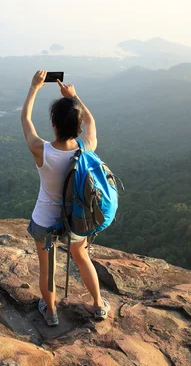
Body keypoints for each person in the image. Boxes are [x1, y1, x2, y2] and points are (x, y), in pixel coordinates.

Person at [21, 70, 110, 326]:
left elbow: (25, 119)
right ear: (77, 127)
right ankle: (98, 305)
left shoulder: (42, 151)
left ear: (54, 124)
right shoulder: (86, 148)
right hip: (76, 220)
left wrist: (34, 87)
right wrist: (75, 96)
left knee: (47, 268)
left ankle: (50, 312)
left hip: (44, 221)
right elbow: (92, 125)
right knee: (82, 257)